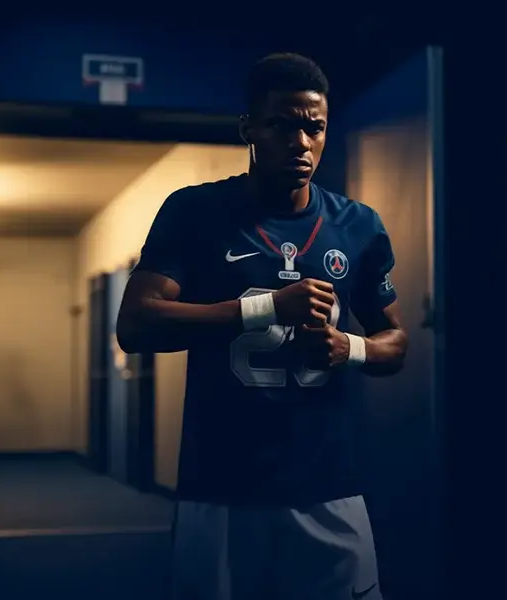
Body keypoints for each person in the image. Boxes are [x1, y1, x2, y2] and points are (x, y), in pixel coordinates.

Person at [117, 52, 408, 600]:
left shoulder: (359, 225)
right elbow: (135, 324)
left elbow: (396, 343)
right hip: (221, 486)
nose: (300, 142)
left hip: (329, 486)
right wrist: (267, 308)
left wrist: (351, 347)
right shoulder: (195, 212)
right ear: (248, 128)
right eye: (281, 125)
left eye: (313, 127)